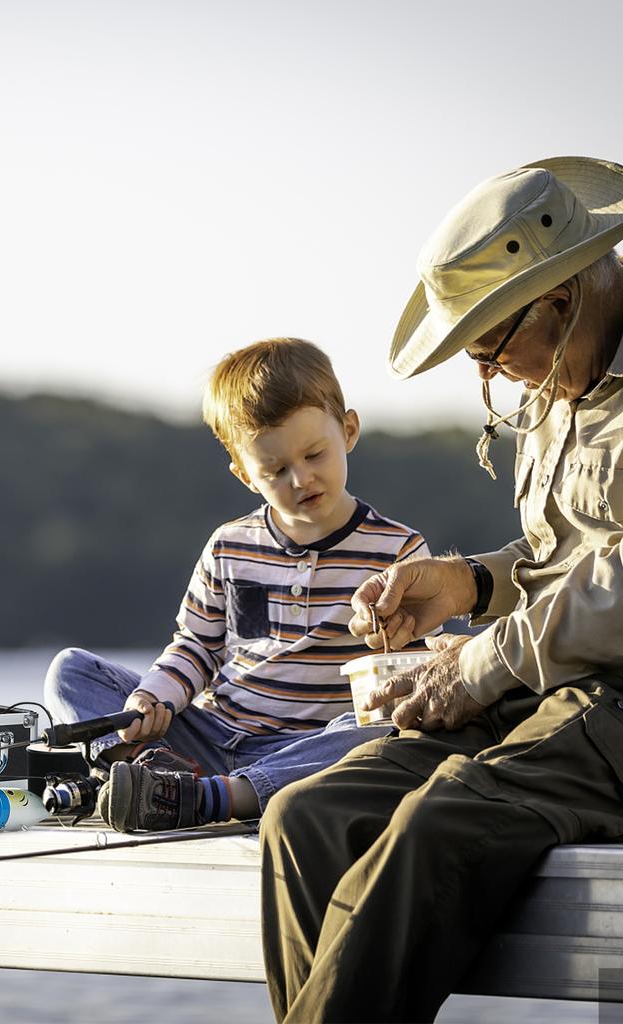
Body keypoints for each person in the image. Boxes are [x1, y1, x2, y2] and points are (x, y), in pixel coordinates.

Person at [260, 156, 623, 1023]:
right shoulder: (558, 384)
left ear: (561, 297)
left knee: (440, 823)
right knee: (306, 817)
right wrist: (465, 582)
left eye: (493, 347)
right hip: (551, 696)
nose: (493, 379)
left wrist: (483, 664)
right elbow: (560, 559)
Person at [43, 337, 433, 832]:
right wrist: (154, 697)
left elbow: (415, 670)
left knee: (379, 733)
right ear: (246, 475)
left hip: (308, 749)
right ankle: (155, 773)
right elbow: (196, 647)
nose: (301, 479)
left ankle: (217, 797)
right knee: (71, 671)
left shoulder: (397, 551)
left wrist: (393, 641)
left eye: (315, 454)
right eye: (276, 470)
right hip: (213, 732)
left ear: (349, 431)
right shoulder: (230, 545)